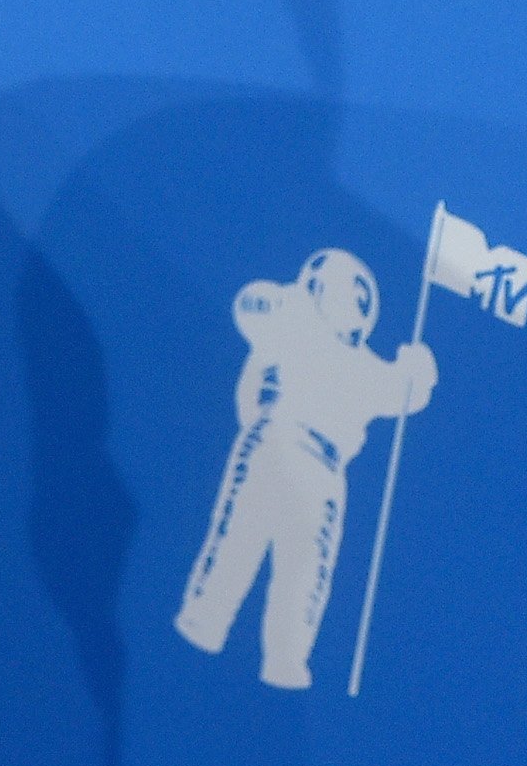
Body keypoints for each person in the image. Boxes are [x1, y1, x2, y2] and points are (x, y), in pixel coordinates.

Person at [172, 249, 434, 689]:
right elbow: (250, 306)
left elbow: (403, 393)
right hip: (274, 437)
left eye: (361, 298)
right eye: (344, 289)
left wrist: (417, 372)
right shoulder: (291, 322)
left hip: (326, 470)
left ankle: (287, 657)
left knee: (306, 568)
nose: (355, 303)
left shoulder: (366, 367)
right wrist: (289, 303)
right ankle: (204, 619)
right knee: (238, 536)